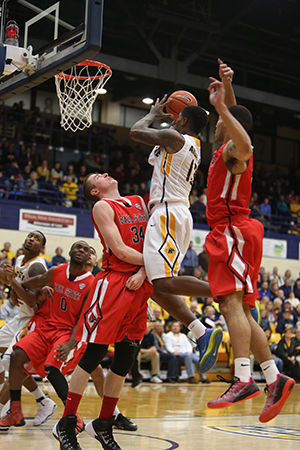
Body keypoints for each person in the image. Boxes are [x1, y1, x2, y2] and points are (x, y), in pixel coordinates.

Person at [203, 63, 295, 422]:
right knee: (238, 308)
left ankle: (243, 378)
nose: (216, 122)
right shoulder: (222, 148)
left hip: (232, 230)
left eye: (220, 120)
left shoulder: (232, 151)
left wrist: (224, 108)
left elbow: (245, 142)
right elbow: (237, 124)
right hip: (233, 230)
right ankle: (274, 378)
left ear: (226, 124)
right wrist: (228, 88)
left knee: (230, 305)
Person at [54, 172, 153, 450]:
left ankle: (104, 423)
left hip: (140, 282)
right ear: (95, 191)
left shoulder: (137, 201)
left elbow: (151, 243)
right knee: (94, 354)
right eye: (98, 176)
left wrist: (146, 270)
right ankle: (67, 423)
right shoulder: (102, 207)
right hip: (115, 283)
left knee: (125, 358)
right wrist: (153, 264)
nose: (106, 173)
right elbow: (120, 250)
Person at [130, 88, 224, 373]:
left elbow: (136, 132)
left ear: (183, 121)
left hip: (168, 212)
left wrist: (150, 115)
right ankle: (200, 331)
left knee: (164, 283)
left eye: (177, 115)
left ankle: (227, 293)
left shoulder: (176, 139)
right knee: (155, 285)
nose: (173, 119)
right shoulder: (180, 142)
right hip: (170, 213)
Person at [0, 241, 94, 431]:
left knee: (51, 368)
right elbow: (35, 282)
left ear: (89, 257)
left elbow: (82, 320)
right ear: (69, 250)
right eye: (77, 247)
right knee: (16, 357)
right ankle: (15, 412)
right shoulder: (57, 271)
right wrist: (16, 287)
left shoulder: (91, 283)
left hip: (67, 332)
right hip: (46, 328)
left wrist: (69, 344)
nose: (81, 250)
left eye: (85, 249)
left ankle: (73, 417)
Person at [0, 231, 56, 425]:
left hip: (33, 320)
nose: (31, 239)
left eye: (37, 239)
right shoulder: (21, 258)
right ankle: (42, 401)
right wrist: (12, 291)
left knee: (11, 362)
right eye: (30, 236)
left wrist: (12, 284)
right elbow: (19, 289)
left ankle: (4, 408)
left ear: (42, 248)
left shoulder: (37, 266)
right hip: (20, 316)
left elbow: (33, 301)